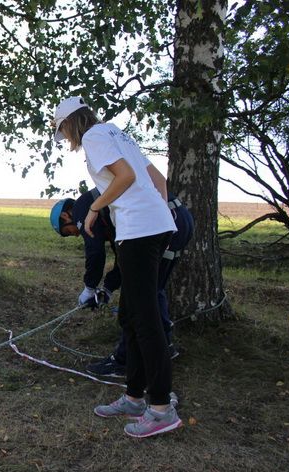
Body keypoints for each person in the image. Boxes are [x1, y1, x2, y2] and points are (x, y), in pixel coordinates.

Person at [52, 95, 181, 438]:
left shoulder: (94, 137)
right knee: (130, 316)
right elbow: (158, 180)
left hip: (139, 230)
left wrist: (95, 207)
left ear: (70, 123)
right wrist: (164, 213)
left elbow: (123, 178)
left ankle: (160, 408)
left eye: (62, 131)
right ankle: (135, 396)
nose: (65, 139)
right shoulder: (115, 133)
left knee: (147, 320)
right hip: (152, 225)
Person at [49, 187, 194, 377]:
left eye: (67, 232)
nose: (75, 235)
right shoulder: (106, 214)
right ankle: (165, 345)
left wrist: (89, 287)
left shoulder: (83, 209)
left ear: (66, 216)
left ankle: (123, 361)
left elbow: (95, 252)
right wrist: (107, 289)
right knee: (154, 289)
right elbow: (122, 259)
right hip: (179, 221)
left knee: (134, 298)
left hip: (162, 224)